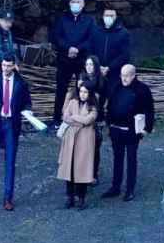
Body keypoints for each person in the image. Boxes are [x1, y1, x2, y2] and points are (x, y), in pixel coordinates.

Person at [0, 53, 32, 211]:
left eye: (9, 65)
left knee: (10, 162)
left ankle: (8, 198)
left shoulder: (21, 83)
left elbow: (27, 102)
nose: (6, 68)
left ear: (14, 66)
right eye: (3, 65)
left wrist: (28, 111)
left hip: (11, 124)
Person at [102, 64, 155, 202]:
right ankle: (115, 187)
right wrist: (109, 123)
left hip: (132, 131)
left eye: (126, 76)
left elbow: (149, 109)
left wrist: (147, 128)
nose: (123, 78)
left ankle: (130, 189)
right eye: (122, 75)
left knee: (131, 160)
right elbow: (110, 105)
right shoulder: (116, 86)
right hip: (116, 129)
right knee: (117, 159)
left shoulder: (142, 89)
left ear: (133, 75)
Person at [49, 0, 95, 127]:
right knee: (61, 89)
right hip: (64, 59)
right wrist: (68, 48)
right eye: (73, 1)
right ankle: (57, 119)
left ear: (83, 4)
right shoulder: (61, 19)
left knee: (82, 88)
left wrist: (77, 49)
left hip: (81, 60)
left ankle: (81, 117)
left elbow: (91, 39)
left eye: (78, 2)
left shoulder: (89, 20)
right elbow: (56, 37)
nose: (76, 4)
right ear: (69, 3)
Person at [57, 84, 98, 209]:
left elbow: (88, 120)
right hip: (70, 139)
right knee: (69, 168)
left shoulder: (93, 107)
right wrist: (79, 120)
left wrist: (73, 118)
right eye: (81, 91)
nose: (83, 94)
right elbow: (65, 117)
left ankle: (81, 198)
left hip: (84, 141)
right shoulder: (73, 102)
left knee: (82, 169)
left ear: (89, 93)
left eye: (86, 92)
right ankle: (70, 197)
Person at [78, 55, 107, 184]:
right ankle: (82, 172)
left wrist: (82, 84)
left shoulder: (101, 80)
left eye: (91, 64)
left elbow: (95, 89)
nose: (89, 67)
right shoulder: (81, 77)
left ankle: (93, 174)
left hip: (97, 118)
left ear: (96, 66)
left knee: (95, 148)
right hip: (82, 117)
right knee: (82, 147)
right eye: (87, 64)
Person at [93, 7, 131, 100]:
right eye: (106, 15)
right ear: (102, 16)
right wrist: (98, 66)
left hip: (115, 73)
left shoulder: (123, 33)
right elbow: (91, 50)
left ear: (116, 17)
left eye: (111, 15)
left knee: (113, 99)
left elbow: (125, 55)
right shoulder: (96, 31)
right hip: (97, 71)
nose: (108, 18)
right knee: (96, 100)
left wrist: (109, 67)